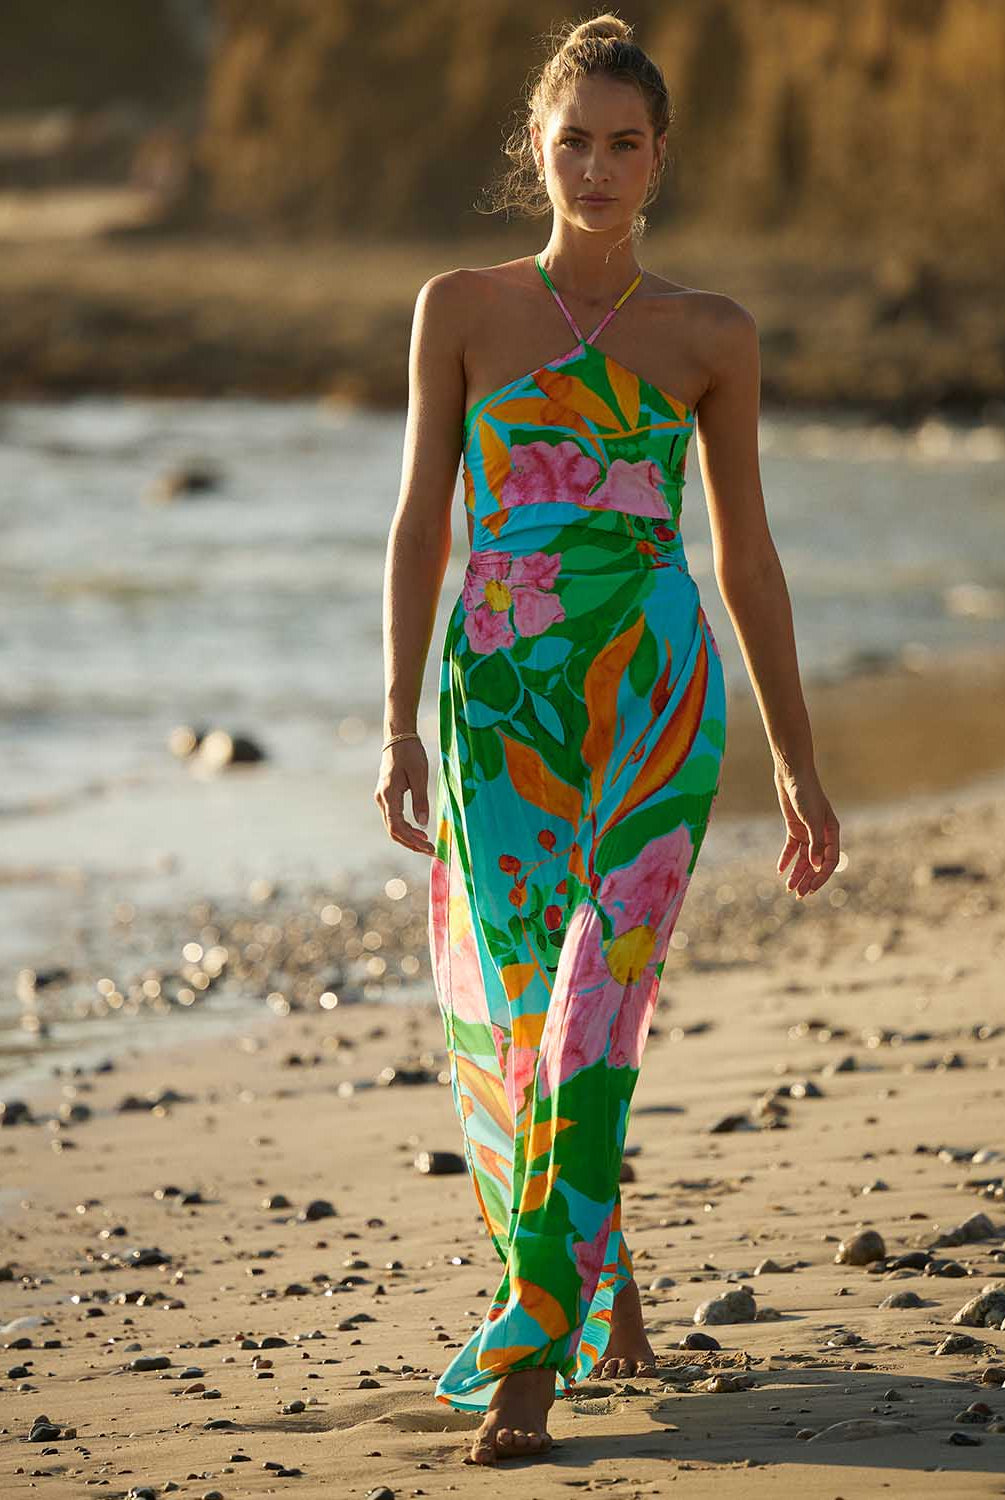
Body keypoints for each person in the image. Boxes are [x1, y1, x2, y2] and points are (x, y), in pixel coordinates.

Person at [374, 10, 840, 1467]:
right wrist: (395, 722)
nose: (595, 167)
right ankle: (601, 1264)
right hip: (499, 709)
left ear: (658, 158)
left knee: (598, 1001)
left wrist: (797, 759)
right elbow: (420, 525)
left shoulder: (711, 337)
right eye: (572, 140)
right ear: (537, 146)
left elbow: (745, 555)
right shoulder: (459, 309)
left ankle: (528, 1355)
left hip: (657, 704)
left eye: (622, 144)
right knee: (528, 1018)